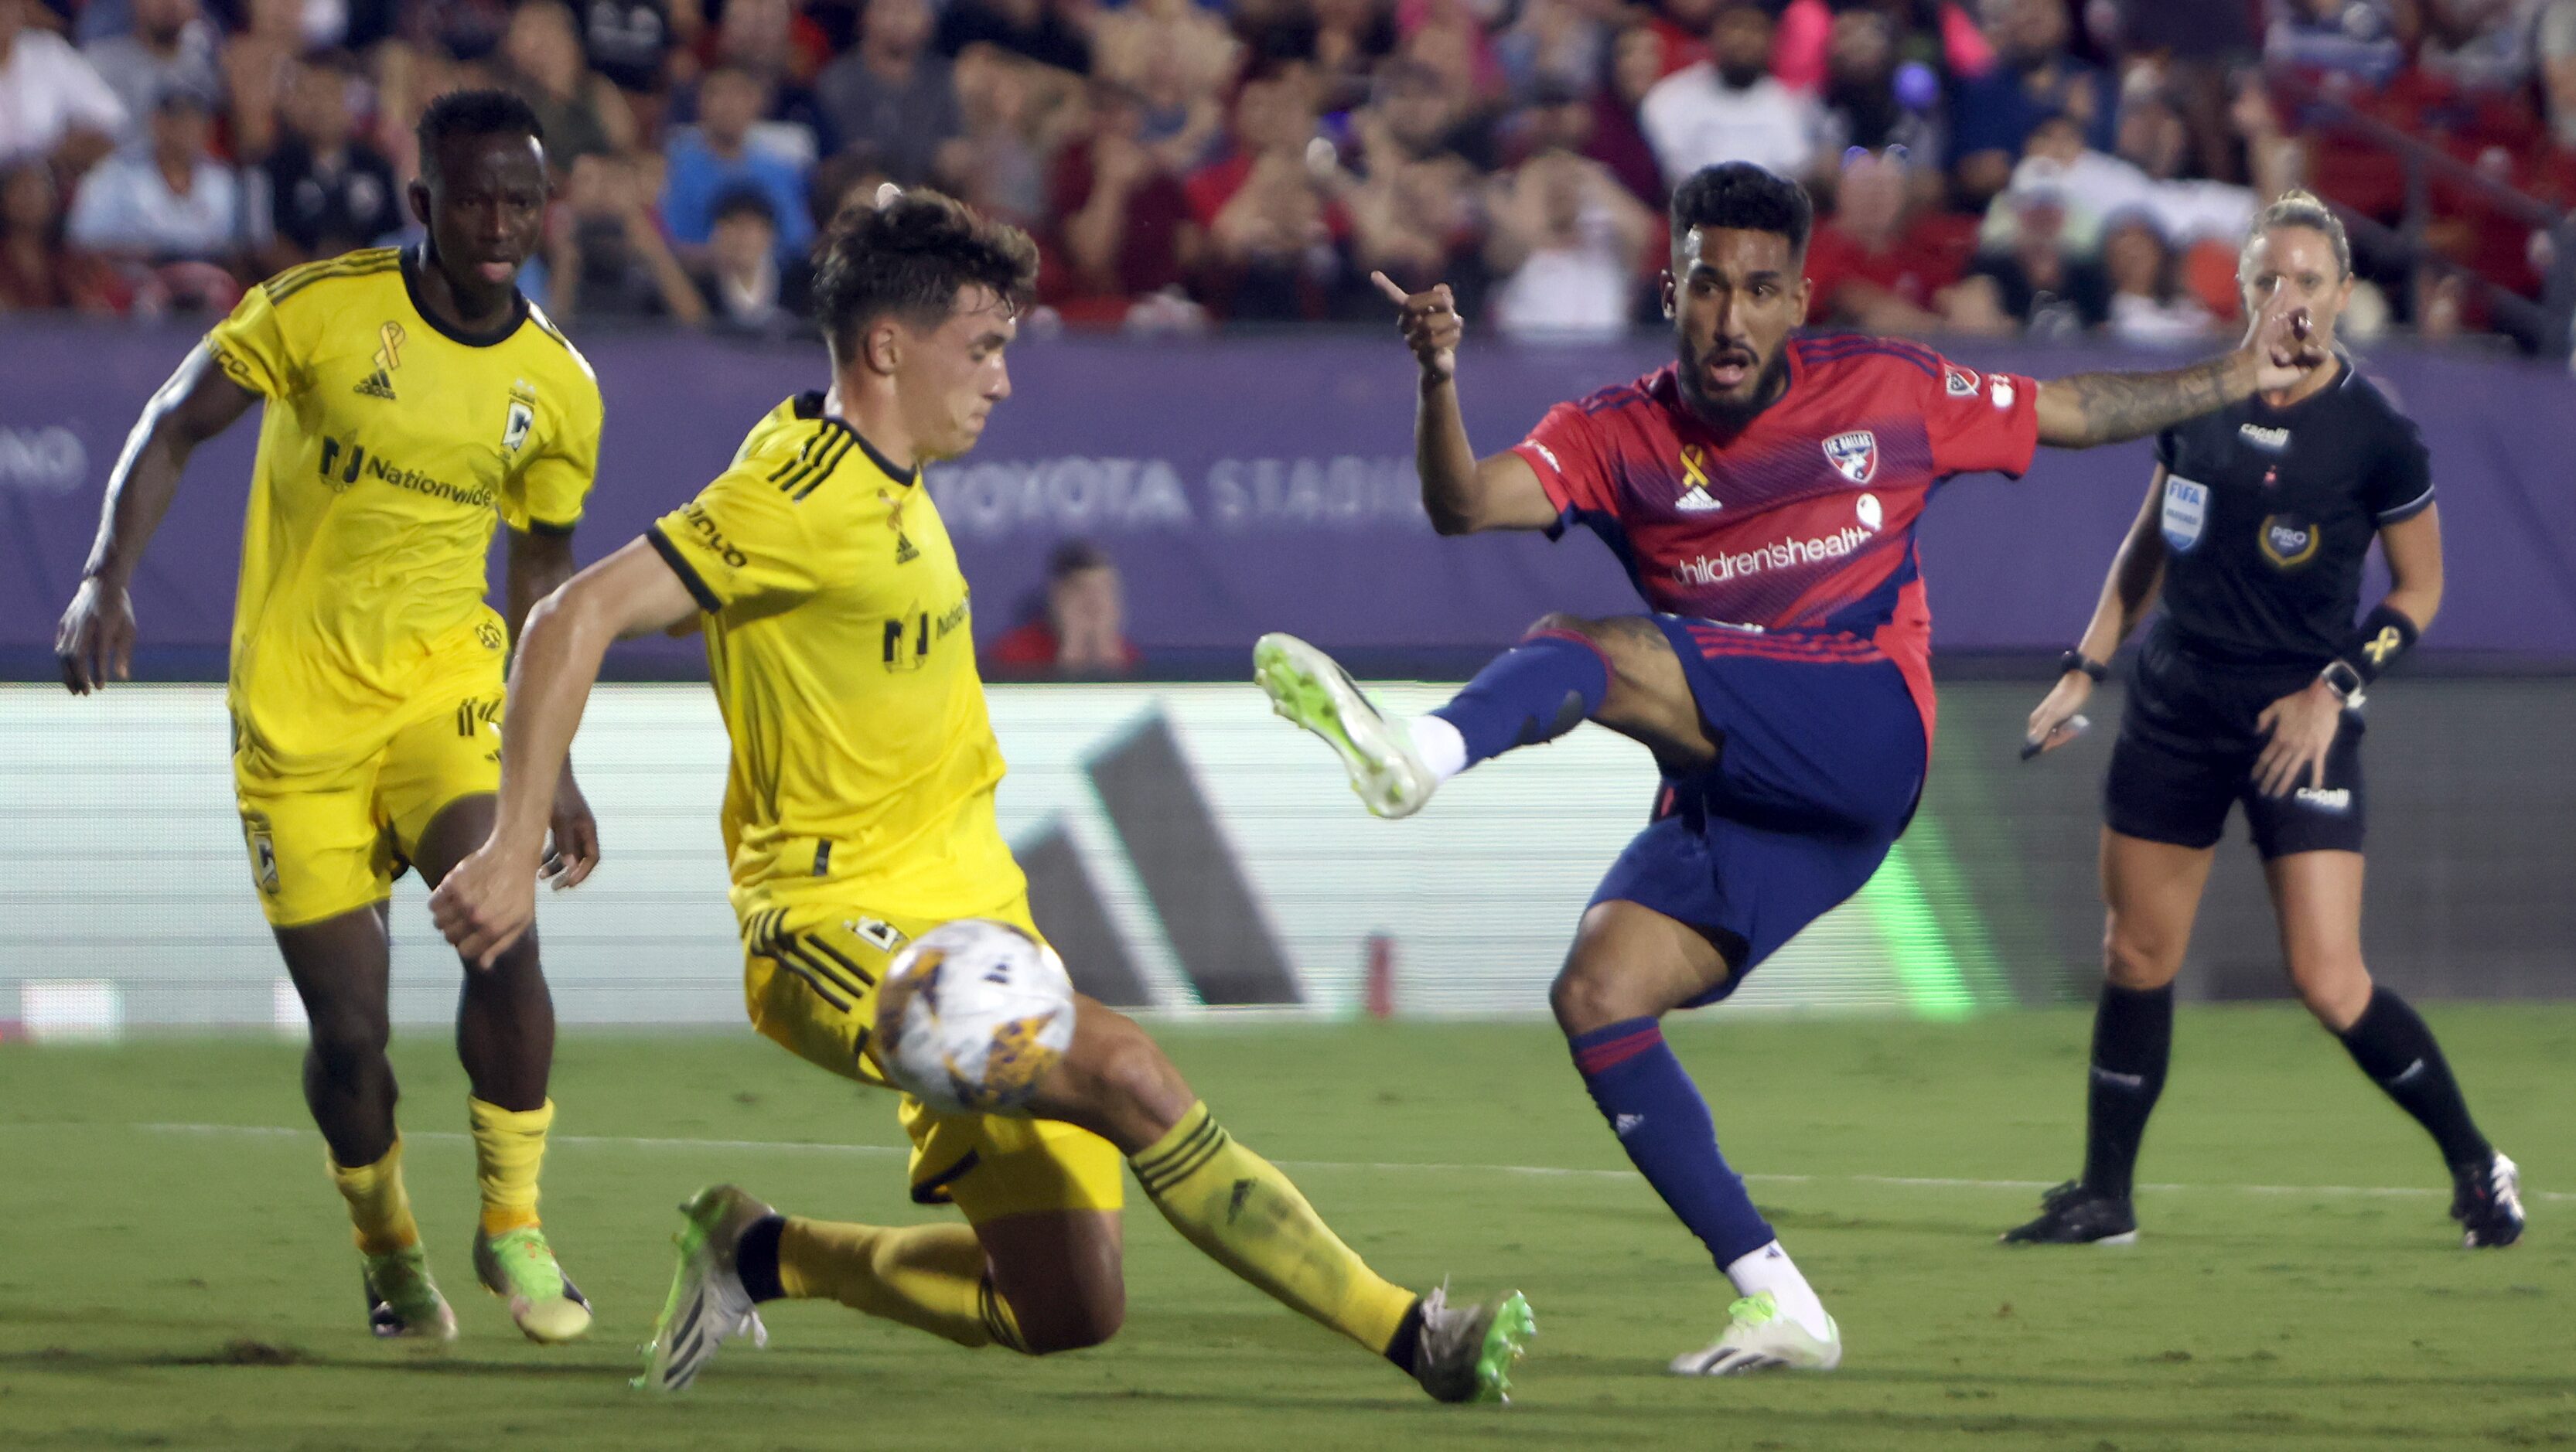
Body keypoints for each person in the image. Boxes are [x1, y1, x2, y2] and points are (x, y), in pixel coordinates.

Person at [424, 187, 1534, 1403]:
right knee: (1133, 1077)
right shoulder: (797, 494)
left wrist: (894, 223)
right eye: (986, 344)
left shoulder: (858, 460)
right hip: (836, 928)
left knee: (1065, 1306)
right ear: (890, 348)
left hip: (981, 917)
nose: (1004, 377)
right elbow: (566, 612)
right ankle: (1412, 1333)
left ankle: (752, 1248)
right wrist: (512, 833)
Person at [1253, 161, 2326, 1375]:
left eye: (1759, 290)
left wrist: (2236, 372)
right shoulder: (1613, 432)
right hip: (1762, 795)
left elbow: (2072, 407)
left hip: (1865, 724)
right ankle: (1778, 1299)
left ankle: (1422, 752)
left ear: (1797, 298)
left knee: (1579, 651)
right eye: (1708, 286)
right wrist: (1437, 379)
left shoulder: (1889, 388)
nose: (1730, 318)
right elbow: (1462, 504)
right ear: (1670, 287)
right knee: (1598, 993)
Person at [51, 88, 605, 1347]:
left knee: (502, 933)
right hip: (296, 714)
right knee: (351, 1038)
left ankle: (512, 1221)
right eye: (477, 197)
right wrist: (103, 577)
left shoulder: (558, 388)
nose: (503, 221)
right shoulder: (320, 310)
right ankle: (387, 1243)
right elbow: (173, 426)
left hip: (444, 695)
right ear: (425, 203)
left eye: (524, 198)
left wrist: (550, 761)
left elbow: (542, 580)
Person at [2004, 192, 2523, 1251]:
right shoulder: (2196, 401)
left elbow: (2416, 591)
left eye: (2305, 280)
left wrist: (2330, 689)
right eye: (2264, 279)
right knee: (2134, 952)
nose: (2284, 299)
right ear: (2240, 289)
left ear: (2341, 294)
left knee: (2326, 977)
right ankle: (2105, 1196)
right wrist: (2083, 666)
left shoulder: (2373, 433)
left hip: (2301, 717)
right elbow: (2145, 548)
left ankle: (2475, 1163)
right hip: (2173, 706)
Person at [984, 539, 1141, 677]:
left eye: (1104, 589)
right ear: (1058, 597)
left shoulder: (1129, 657)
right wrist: (1072, 651)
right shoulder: (1015, 656)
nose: (1095, 602)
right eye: (1081, 590)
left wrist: (1107, 651)